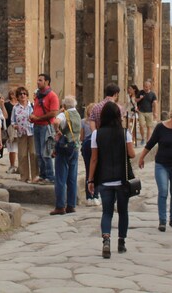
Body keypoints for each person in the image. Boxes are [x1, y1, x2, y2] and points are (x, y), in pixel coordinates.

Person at [88, 101, 136, 258]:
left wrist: (90, 180)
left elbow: (94, 159)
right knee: (123, 211)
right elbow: (132, 154)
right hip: (122, 179)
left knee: (107, 212)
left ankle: (106, 240)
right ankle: (121, 242)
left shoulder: (97, 134)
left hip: (104, 178)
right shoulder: (125, 133)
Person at [138, 103, 172, 231]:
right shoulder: (160, 127)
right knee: (163, 191)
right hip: (162, 165)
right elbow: (150, 143)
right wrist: (141, 157)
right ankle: (162, 221)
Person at [50, 96, 82, 215]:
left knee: (60, 178)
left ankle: (60, 206)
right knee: (72, 177)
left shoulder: (64, 114)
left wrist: (57, 130)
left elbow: (56, 122)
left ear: (64, 106)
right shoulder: (77, 114)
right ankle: (71, 205)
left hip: (64, 147)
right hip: (75, 146)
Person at [31, 73, 59, 184]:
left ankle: (50, 176)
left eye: (40, 80)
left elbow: (53, 112)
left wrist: (38, 117)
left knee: (46, 152)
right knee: (38, 153)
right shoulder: (38, 95)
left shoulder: (52, 96)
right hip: (37, 126)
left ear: (47, 82)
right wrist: (33, 117)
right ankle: (42, 175)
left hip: (46, 127)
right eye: (38, 80)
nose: (38, 82)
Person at [11, 87, 37, 183]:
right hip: (21, 133)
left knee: (33, 154)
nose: (23, 95)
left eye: (24, 94)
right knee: (22, 155)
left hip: (32, 132)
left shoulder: (32, 106)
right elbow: (12, 121)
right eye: (20, 94)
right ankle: (24, 176)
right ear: (17, 96)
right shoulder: (15, 108)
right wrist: (15, 126)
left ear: (27, 95)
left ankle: (35, 176)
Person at [80, 103, 100, 205]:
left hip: (87, 145)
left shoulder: (83, 122)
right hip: (94, 145)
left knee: (89, 171)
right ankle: (95, 196)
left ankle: (89, 197)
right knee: (95, 171)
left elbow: (81, 137)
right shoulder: (97, 122)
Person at [135, 80, 158, 146]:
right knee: (141, 125)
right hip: (141, 111)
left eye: (147, 87)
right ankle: (142, 138)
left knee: (149, 127)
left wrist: (155, 112)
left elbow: (155, 103)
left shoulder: (152, 94)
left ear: (150, 87)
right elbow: (136, 100)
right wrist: (140, 98)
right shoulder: (140, 92)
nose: (145, 88)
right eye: (144, 86)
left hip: (149, 112)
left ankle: (148, 140)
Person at [5, 90, 18, 173]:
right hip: (11, 127)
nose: (12, 95)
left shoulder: (20, 105)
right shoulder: (7, 104)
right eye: (11, 93)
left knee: (21, 148)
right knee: (12, 147)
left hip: (20, 127)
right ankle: (12, 165)